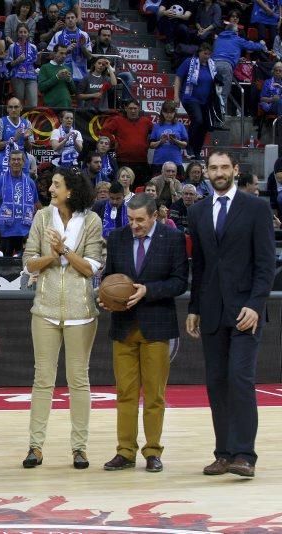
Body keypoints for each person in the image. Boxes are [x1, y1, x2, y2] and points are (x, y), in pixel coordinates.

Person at [186, 150, 276, 478]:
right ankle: (223, 453)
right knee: (216, 381)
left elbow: (266, 265)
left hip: (245, 311)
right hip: (211, 309)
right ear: (205, 172)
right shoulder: (196, 212)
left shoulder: (257, 208)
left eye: (225, 167)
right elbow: (203, 267)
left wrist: (255, 304)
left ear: (235, 170)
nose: (219, 172)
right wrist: (194, 308)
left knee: (240, 378)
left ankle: (244, 454)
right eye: (213, 167)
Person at [99, 193, 188, 473]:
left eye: (140, 220)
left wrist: (148, 290)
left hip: (157, 326)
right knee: (124, 392)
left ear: (153, 217)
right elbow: (108, 279)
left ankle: (153, 451)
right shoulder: (117, 238)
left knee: (154, 394)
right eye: (131, 219)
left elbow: (179, 283)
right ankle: (125, 451)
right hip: (123, 326)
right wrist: (106, 297)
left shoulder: (173, 239)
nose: (135, 225)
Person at [22, 166, 102, 470]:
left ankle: (79, 448)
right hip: (44, 309)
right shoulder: (42, 218)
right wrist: (53, 257)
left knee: (79, 380)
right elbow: (30, 263)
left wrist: (64, 249)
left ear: (71, 190)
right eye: (51, 185)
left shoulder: (92, 221)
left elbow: (91, 268)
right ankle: (35, 447)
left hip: (82, 313)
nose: (50, 190)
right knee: (42, 379)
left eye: (56, 185)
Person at [0, 150, 40, 256]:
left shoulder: (30, 182)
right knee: (4, 267)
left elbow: (36, 205)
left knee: (23, 266)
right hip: (4, 233)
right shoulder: (0, 181)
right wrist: (0, 220)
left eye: (19, 159)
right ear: (9, 162)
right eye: (13, 159)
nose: (16, 162)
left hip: (25, 233)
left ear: (24, 162)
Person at [212, 20, 266, 115]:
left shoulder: (218, 38)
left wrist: (236, 58)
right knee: (224, 93)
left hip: (212, 66)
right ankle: (220, 119)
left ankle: (212, 116)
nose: (238, 32)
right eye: (237, 31)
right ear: (234, 32)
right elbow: (251, 46)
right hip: (226, 66)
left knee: (212, 93)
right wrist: (261, 44)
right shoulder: (236, 38)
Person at [173, 43, 216, 161]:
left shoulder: (212, 65)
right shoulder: (189, 62)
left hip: (205, 100)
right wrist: (176, 95)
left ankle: (197, 151)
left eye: (209, 54)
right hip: (190, 97)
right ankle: (188, 145)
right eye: (204, 53)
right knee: (197, 119)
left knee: (205, 125)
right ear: (199, 53)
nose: (206, 56)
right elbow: (178, 77)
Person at [100, 100, 153, 186]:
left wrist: (149, 143)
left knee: (140, 189)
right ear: (125, 109)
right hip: (123, 162)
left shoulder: (146, 121)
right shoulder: (118, 120)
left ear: (139, 109)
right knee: (124, 188)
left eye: (135, 108)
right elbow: (104, 131)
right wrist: (113, 142)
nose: (133, 111)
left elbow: (155, 133)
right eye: (130, 108)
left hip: (142, 162)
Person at [0, 97, 34, 178]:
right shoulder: (0, 122)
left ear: (21, 108)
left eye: (16, 107)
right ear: (7, 109)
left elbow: (29, 149)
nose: (13, 110)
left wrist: (26, 139)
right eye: (10, 107)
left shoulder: (27, 123)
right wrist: (13, 140)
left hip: (22, 163)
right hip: (4, 163)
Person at [48, 11, 92, 85]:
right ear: (65, 20)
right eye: (68, 18)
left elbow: (89, 57)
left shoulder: (84, 35)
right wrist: (65, 51)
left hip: (81, 75)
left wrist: (83, 47)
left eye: (72, 17)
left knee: (78, 96)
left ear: (76, 19)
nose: (70, 20)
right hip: (62, 73)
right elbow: (51, 55)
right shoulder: (58, 35)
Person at [149, 101, 188, 175]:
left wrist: (175, 141)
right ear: (162, 113)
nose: (169, 115)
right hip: (158, 162)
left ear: (174, 113)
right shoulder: (156, 126)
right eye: (166, 112)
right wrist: (161, 141)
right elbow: (151, 145)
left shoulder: (180, 126)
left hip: (176, 162)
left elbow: (185, 144)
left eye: (171, 112)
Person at [6, 24, 39, 109]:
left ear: (28, 34)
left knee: (33, 104)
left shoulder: (33, 47)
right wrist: (17, 61)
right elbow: (8, 64)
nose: (23, 34)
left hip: (31, 77)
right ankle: (19, 121)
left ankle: (29, 121)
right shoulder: (12, 47)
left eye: (25, 32)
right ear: (17, 33)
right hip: (17, 76)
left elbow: (36, 63)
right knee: (19, 104)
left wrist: (40, 58)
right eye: (20, 32)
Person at [37, 44, 75, 108]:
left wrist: (69, 80)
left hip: (67, 106)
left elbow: (73, 91)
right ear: (54, 53)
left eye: (65, 54)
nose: (64, 56)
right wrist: (57, 77)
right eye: (61, 53)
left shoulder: (68, 69)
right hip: (52, 107)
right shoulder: (45, 67)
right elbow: (41, 88)